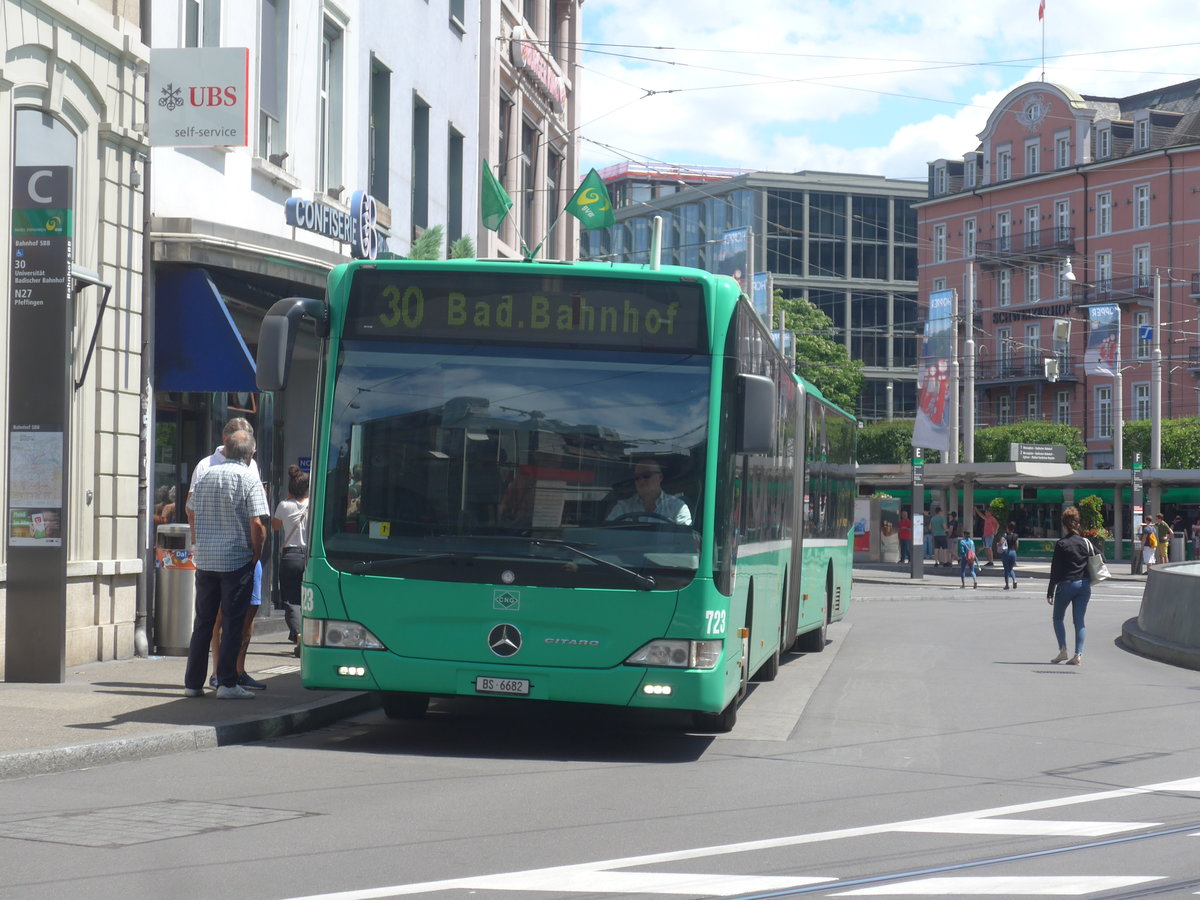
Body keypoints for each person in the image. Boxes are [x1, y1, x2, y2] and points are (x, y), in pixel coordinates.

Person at [183, 430, 270, 698]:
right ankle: (227, 682)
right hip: (235, 560)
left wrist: (200, 544)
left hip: (206, 560)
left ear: (226, 450)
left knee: (204, 622)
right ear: (249, 454)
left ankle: (193, 684)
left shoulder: (206, 475)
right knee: (233, 622)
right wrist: (257, 552)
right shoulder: (249, 479)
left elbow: (191, 510)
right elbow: (257, 523)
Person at [1046, 506, 1094, 666]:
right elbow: (1101, 557)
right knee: (1079, 620)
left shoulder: (1062, 544)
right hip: (1084, 584)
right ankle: (1078, 655)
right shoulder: (1085, 543)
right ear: (1077, 525)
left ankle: (1063, 650)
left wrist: (1050, 591)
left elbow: (1055, 569)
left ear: (1064, 525)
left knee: (1058, 618)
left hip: (1066, 584)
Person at [273, 465, 310, 658]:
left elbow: (276, 526)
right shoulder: (313, 504)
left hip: (291, 555)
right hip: (310, 556)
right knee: (309, 597)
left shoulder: (284, 506)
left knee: (290, 598)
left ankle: (298, 634)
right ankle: (308, 635)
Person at [606, 459, 692, 525]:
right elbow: (607, 534)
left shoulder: (677, 507)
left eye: (646, 475)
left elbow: (687, 540)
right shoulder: (623, 507)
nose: (641, 481)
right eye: (637, 477)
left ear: (660, 477)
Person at [999, 521, 1020, 589]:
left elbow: (1001, 543)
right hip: (1013, 552)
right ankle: (1014, 580)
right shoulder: (1015, 536)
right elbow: (1017, 546)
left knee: (1006, 569)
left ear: (1007, 528)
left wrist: (998, 544)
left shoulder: (1005, 535)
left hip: (1006, 552)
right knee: (1011, 568)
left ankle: (1007, 584)